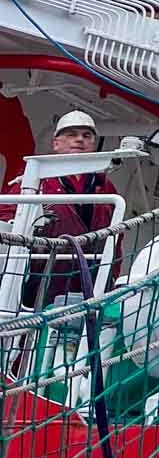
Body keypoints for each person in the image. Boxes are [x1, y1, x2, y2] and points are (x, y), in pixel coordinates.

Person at [15, 109, 121, 309]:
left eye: (86, 135)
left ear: (93, 144)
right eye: (71, 134)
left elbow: (116, 239)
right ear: (56, 143)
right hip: (43, 276)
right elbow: (9, 220)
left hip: (91, 280)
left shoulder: (106, 187)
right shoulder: (33, 180)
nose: (79, 140)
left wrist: (112, 275)